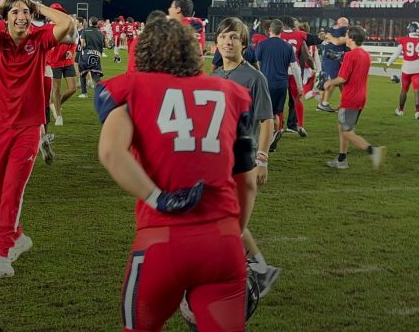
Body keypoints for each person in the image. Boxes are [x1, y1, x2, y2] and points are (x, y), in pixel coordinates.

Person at [96, 17, 256, 331]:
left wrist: (159, 198)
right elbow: (248, 183)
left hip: (160, 240)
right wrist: (234, 233)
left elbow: (110, 152)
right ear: (192, 51)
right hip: (222, 242)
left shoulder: (132, 89)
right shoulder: (230, 92)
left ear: (144, 52)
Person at [0, 0, 74, 278]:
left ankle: (2, 256)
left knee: (12, 192)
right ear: (6, 16)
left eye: (26, 12)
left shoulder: (40, 37)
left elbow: (66, 22)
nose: (21, 16)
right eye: (15, 12)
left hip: (28, 128)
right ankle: (18, 236)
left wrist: (37, 7)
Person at [209, 17, 280, 295]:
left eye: (235, 38)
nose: (229, 42)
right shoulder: (213, 77)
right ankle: (261, 272)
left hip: (244, 160)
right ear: (216, 42)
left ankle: (249, 273)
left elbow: (267, 121)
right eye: (225, 37)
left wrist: (262, 159)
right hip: (217, 160)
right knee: (226, 218)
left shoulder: (254, 77)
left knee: (231, 222)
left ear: (244, 44)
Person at [323, 26, 386, 170]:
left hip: (351, 97)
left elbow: (342, 78)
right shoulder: (365, 54)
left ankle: (373, 151)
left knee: (346, 132)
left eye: (346, 35)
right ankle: (341, 159)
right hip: (360, 96)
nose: (345, 37)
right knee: (342, 126)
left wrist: (329, 83)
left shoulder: (350, 55)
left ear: (351, 38)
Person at [254, 19, 302, 152]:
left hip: (266, 83)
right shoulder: (287, 47)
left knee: (262, 114)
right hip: (282, 84)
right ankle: (274, 136)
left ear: (270, 30)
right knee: (275, 114)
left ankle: (266, 140)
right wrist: (299, 85)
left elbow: (256, 64)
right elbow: (295, 67)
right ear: (282, 31)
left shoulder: (262, 44)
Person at [385, 22, 419, 119]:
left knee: (404, 90)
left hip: (407, 68)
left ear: (409, 29)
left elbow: (395, 54)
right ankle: (418, 112)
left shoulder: (404, 40)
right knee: (417, 90)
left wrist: (387, 64)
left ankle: (400, 110)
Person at [47, 3, 78, 126]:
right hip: (54, 63)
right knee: (56, 89)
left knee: (73, 89)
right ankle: (59, 115)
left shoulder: (67, 26)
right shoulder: (48, 28)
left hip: (67, 61)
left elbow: (73, 42)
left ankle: (56, 104)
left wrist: (71, 51)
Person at [280, 17, 311, 137]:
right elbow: (307, 55)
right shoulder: (300, 35)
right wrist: (314, 67)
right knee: (298, 98)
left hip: (280, 71)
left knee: (279, 101)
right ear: (293, 24)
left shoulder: (278, 34)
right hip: (294, 70)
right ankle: (300, 125)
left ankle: (279, 127)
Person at [316, 17, 349, 112]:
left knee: (341, 83)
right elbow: (336, 41)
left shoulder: (333, 31)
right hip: (333, 59)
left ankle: (342, 105)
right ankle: (324, 103)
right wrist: (328, 36)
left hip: (332, 58)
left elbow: (336, 41)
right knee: (335, 81)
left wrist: (329, 36)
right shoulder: (339, 31)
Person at [78, 16, 105, 97]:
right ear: (97, 23)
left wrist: (84, 49)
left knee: (83, 74)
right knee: (95, 75)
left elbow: (82, 44)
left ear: (89, 23)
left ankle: (84, 93)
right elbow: (105, 45)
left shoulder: (85, 31)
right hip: (96, 55)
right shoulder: (101, 32)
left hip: (87, 54)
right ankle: (103, 91)